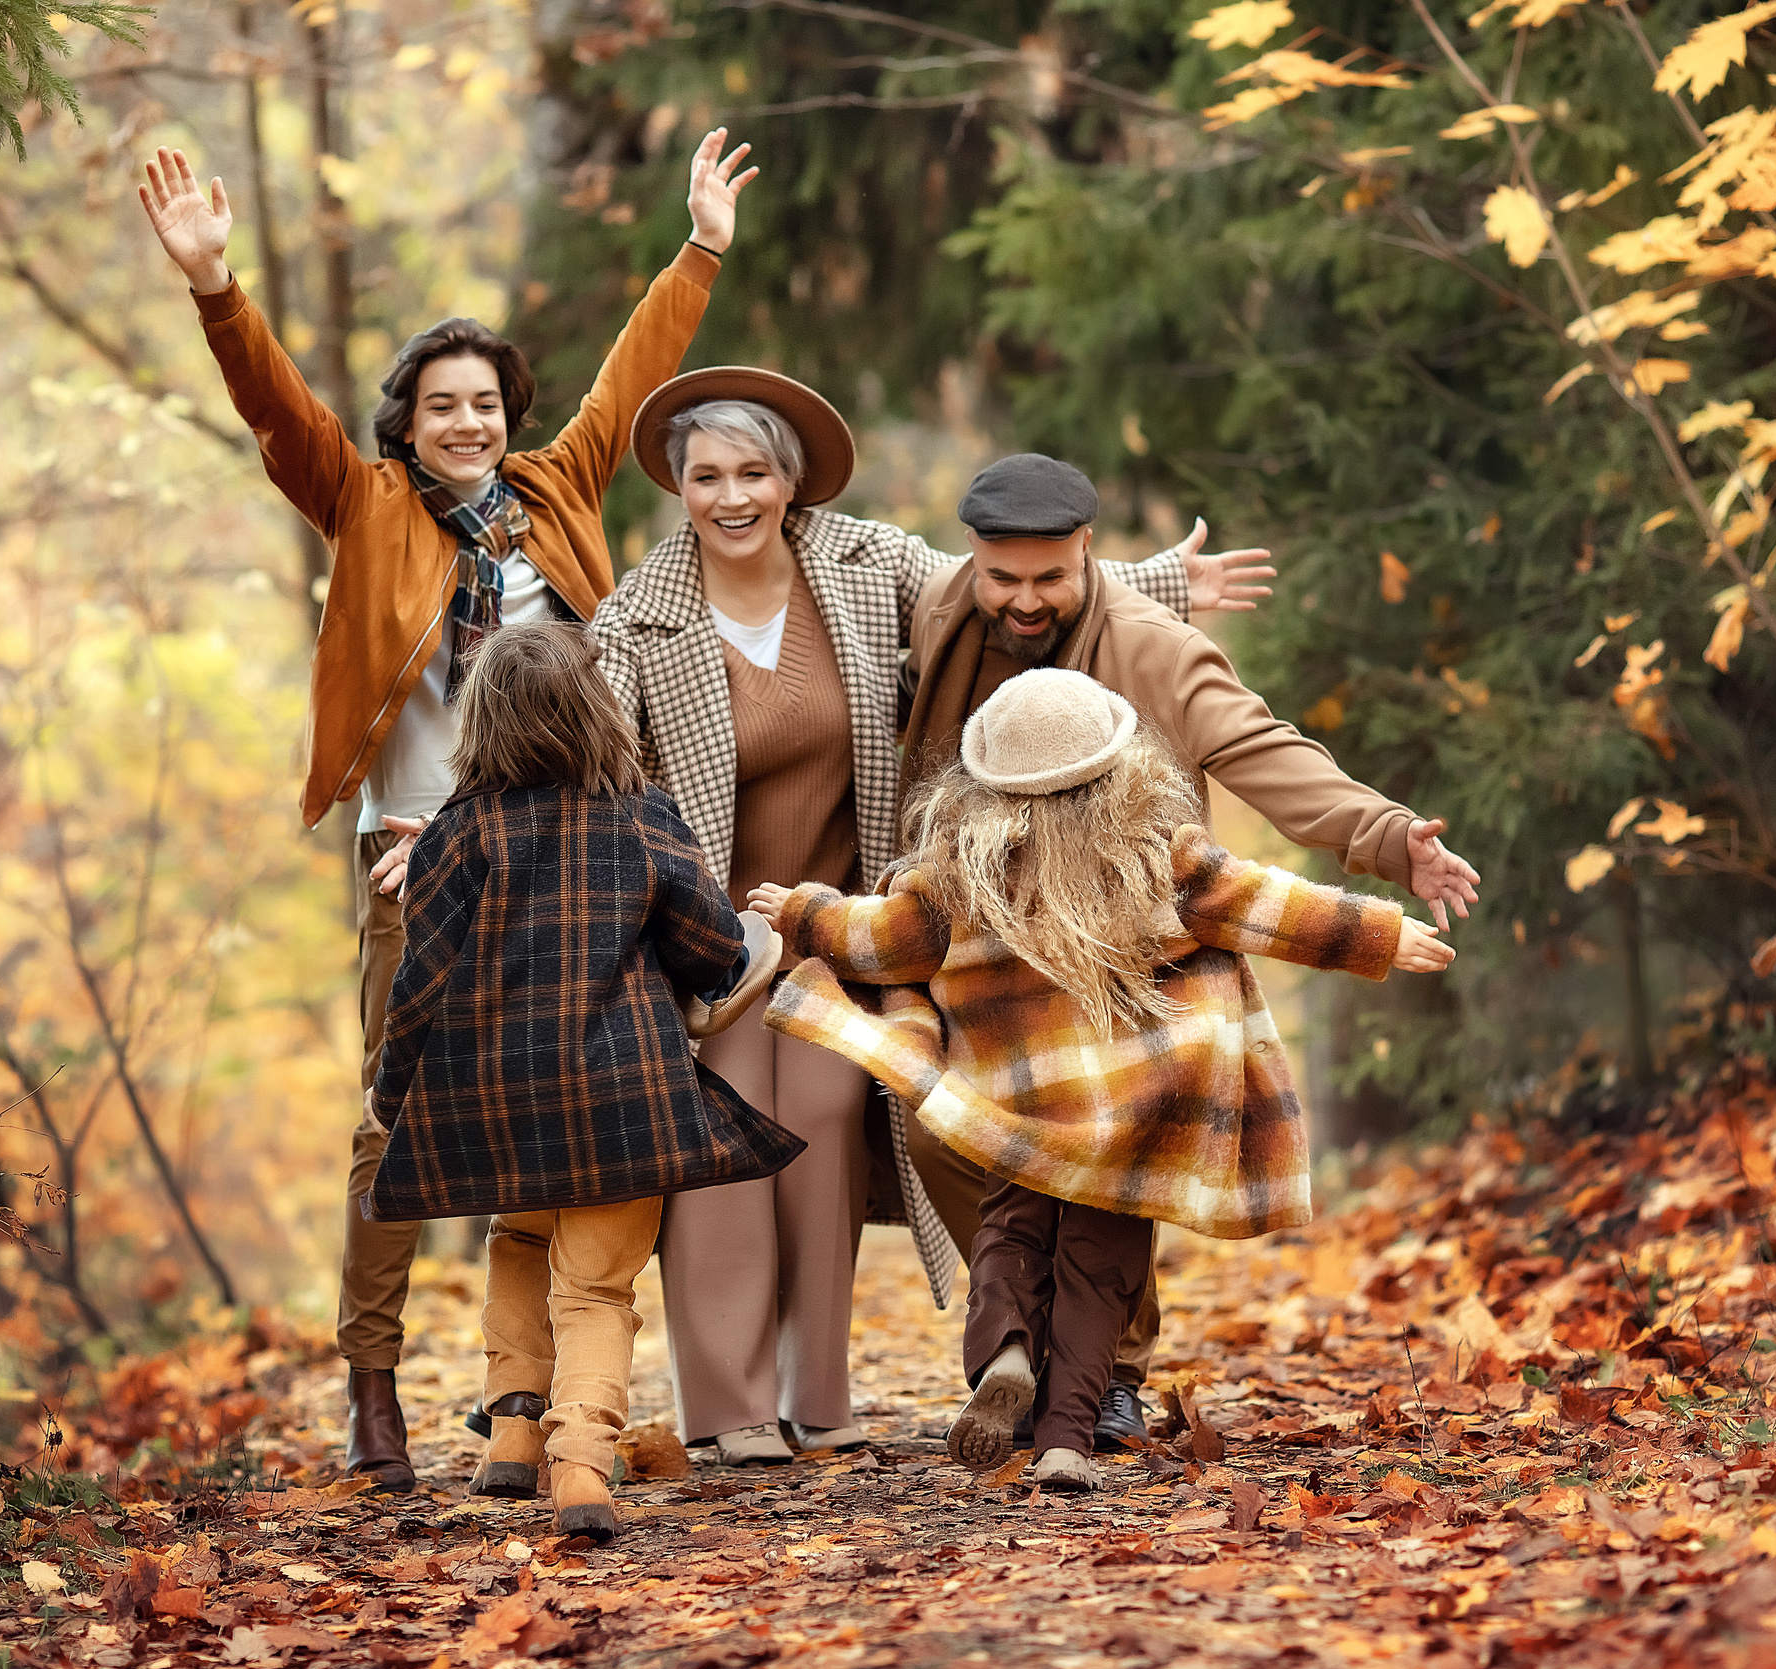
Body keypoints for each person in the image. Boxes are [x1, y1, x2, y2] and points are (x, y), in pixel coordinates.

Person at [135, 131, 758, 1490]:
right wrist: (215, 289)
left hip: (581, 859)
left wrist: (700, 247)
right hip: (418, 863)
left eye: (487, 400)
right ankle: (375, 1386)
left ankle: (537, 1407)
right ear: (404, 423)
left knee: (583, 1107)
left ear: (508, 411)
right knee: (389, 1112)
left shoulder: (558, 494)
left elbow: (633, 376)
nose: (470, 422)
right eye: (442, 405)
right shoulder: (360, 508)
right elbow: (278, 411)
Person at [555, 368, 1271, 1466]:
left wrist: (1163, 580)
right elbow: (582, 766)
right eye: (707, 476)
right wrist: (463, 821)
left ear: (790, 484)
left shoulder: (859, 563)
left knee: (831, 1119)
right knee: (722, 1137)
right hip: (708, 934)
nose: (731, 495)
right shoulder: (637, 619)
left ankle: (816, 1392)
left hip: (845, 924)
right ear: (677, 486)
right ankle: (730, 1406)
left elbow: (994, 579)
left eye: (753, 472)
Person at [892, 453, 1486, 1453]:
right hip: (998, 962)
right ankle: (1027, 1345)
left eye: (1050, 579)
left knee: (1115, 1155)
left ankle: (1104, 1376)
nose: (1023, 600)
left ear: (1089, 555)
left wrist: (1387, 840)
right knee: (939, 1133)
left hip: (1133, 962)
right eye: (1004, 578)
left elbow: (1266, 752)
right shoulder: (945, 611)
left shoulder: (1156, 652)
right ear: (974, 563)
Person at [754, 670, 1455, 1489]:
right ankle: (1065, 1442)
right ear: (1124, 769)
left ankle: (1006, 1351)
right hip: (1134, 1117)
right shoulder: (1163, 858)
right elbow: (1269, 904)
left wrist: (800, 909)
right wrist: (1378, 933)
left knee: (1007, 1237)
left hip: (1016, 1110)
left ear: (981, 782)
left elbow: (873, 942)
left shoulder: (958, 878)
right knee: (1100, 1272)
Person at [365, 623, 804, 1539]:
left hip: (495, 1100)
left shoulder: (455, 831)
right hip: (622, 1101)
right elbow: (717, 947)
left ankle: (511, 1438)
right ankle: (581, 1469)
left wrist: (390, 1085)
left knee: (518, 1241)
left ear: (478, 723)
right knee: (599, 1287)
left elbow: (419, 983)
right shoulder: (643, 814)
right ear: (599, 711)